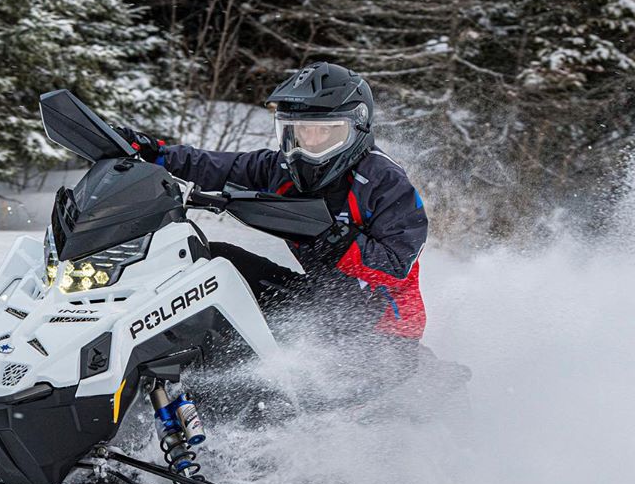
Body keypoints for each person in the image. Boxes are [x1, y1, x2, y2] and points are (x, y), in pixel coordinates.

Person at [116, 61, 428, 342]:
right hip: (317, 300)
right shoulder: (282, 169)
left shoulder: (385, 182)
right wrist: (155, 154)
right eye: (300, 133)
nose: (310, 145)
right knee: (213, 260)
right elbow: (216, 166)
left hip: (383, 328)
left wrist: (339, 242)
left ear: (356, 128)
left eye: (325, 134)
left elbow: (398, 266)